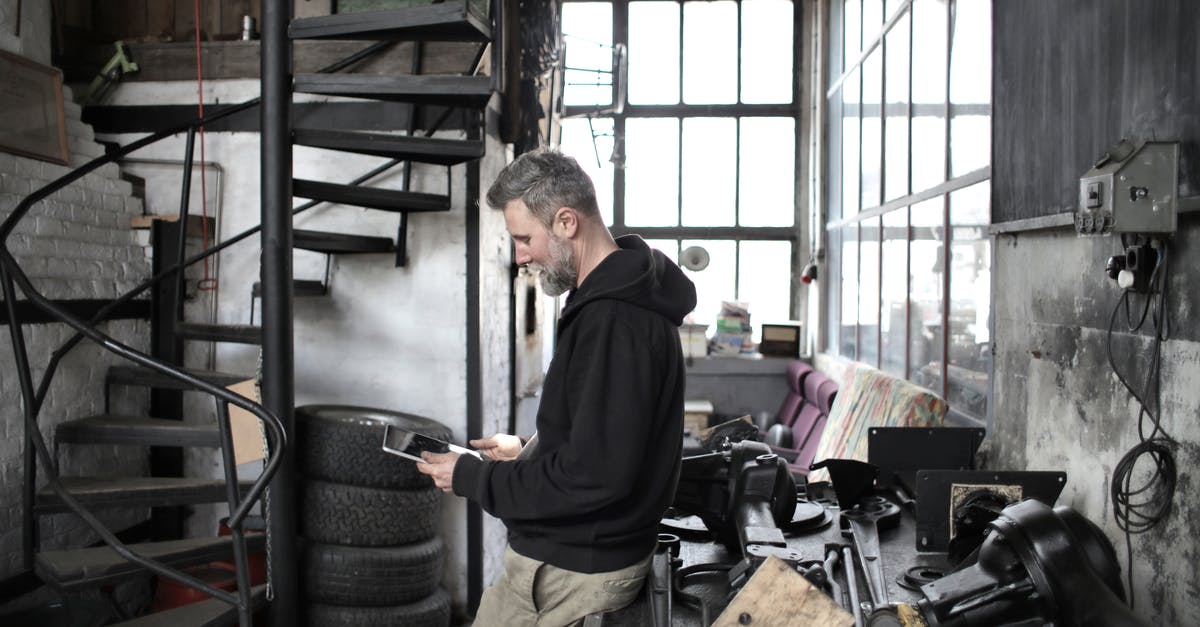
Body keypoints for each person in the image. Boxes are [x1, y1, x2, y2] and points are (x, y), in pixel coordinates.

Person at [417, 148, 697, 626]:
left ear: (566, 221)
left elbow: (596, 475)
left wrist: (471, 476)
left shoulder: (614, 319)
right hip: (573, 557)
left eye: (525, 238)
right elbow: (606, 436)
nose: (521, 255)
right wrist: (531, 451)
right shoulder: (613, 302)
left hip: (573, 568)